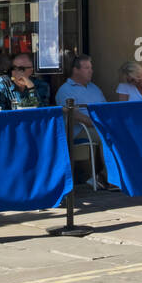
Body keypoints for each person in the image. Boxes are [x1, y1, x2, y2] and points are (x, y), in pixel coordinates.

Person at [54, 54, 118, 190]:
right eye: (87, 68)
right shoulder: (64, 90)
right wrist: (96, 123)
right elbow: (74, 114)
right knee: (106, 136)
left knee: (120, 133)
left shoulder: (94, 88)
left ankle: (105, 177)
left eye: (91, 68)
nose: (91, 71)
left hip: (97, 126)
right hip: (79, 130)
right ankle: (110, 179)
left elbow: (104, 108)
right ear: (76, 70)